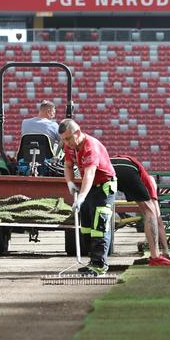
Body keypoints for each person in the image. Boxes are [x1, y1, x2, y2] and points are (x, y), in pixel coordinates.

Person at [60, 118, 117, 276]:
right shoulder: (70, 146)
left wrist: (81, 197)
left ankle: (100, 266)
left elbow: (90, 173)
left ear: (77, 133)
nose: (67, 142)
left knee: (99, 225)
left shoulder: (90, 146)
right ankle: (92, 261)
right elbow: (68, 165)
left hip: (104, 186)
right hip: (90, 186)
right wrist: (70, 182)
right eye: (64, 139)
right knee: (86, 226)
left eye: (68, 138)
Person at [110, 155, 170, 267]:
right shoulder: (150, 182)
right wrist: (166, 252)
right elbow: (158, 221)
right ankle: (155, 257)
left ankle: (97, 259)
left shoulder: (141, 176)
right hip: (126, 168)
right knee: (150, 212)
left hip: (107, 165)